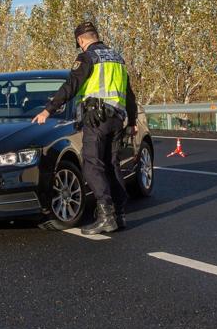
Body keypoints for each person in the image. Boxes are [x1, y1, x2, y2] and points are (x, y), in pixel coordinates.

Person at [32, 21, 138, 235]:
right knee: (111, 165)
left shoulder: (87, 57)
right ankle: (119, 214)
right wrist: (133, 120)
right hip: (117, 118)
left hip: (97, 119)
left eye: (79, 43)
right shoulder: (116, 57)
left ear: (81, 40)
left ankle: (106, 216)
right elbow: (130, 93)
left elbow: (71, 85)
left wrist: (48, 110)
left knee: (91, 165)